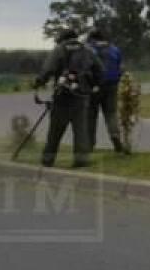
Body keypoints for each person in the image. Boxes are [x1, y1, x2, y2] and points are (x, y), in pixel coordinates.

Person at [34, 29, 104, 168]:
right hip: (82, 96)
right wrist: (94, 85)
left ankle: (48, 159)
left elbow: (48, 69)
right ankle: (81, 160)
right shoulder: (87, 50)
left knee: (55, 130)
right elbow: (100, 69)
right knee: (81, 130)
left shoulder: (59, 49)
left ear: (62, 39)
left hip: (63, 96)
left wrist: (39, 81)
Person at [86, 29, 127, 154]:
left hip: (94, 86)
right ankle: (115, 136)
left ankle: (89, 143)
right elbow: (121, 68)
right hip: (112, 85)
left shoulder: (89, 49)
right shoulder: (115, 49)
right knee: (111, 113)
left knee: (91, 114)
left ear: (92, 39)